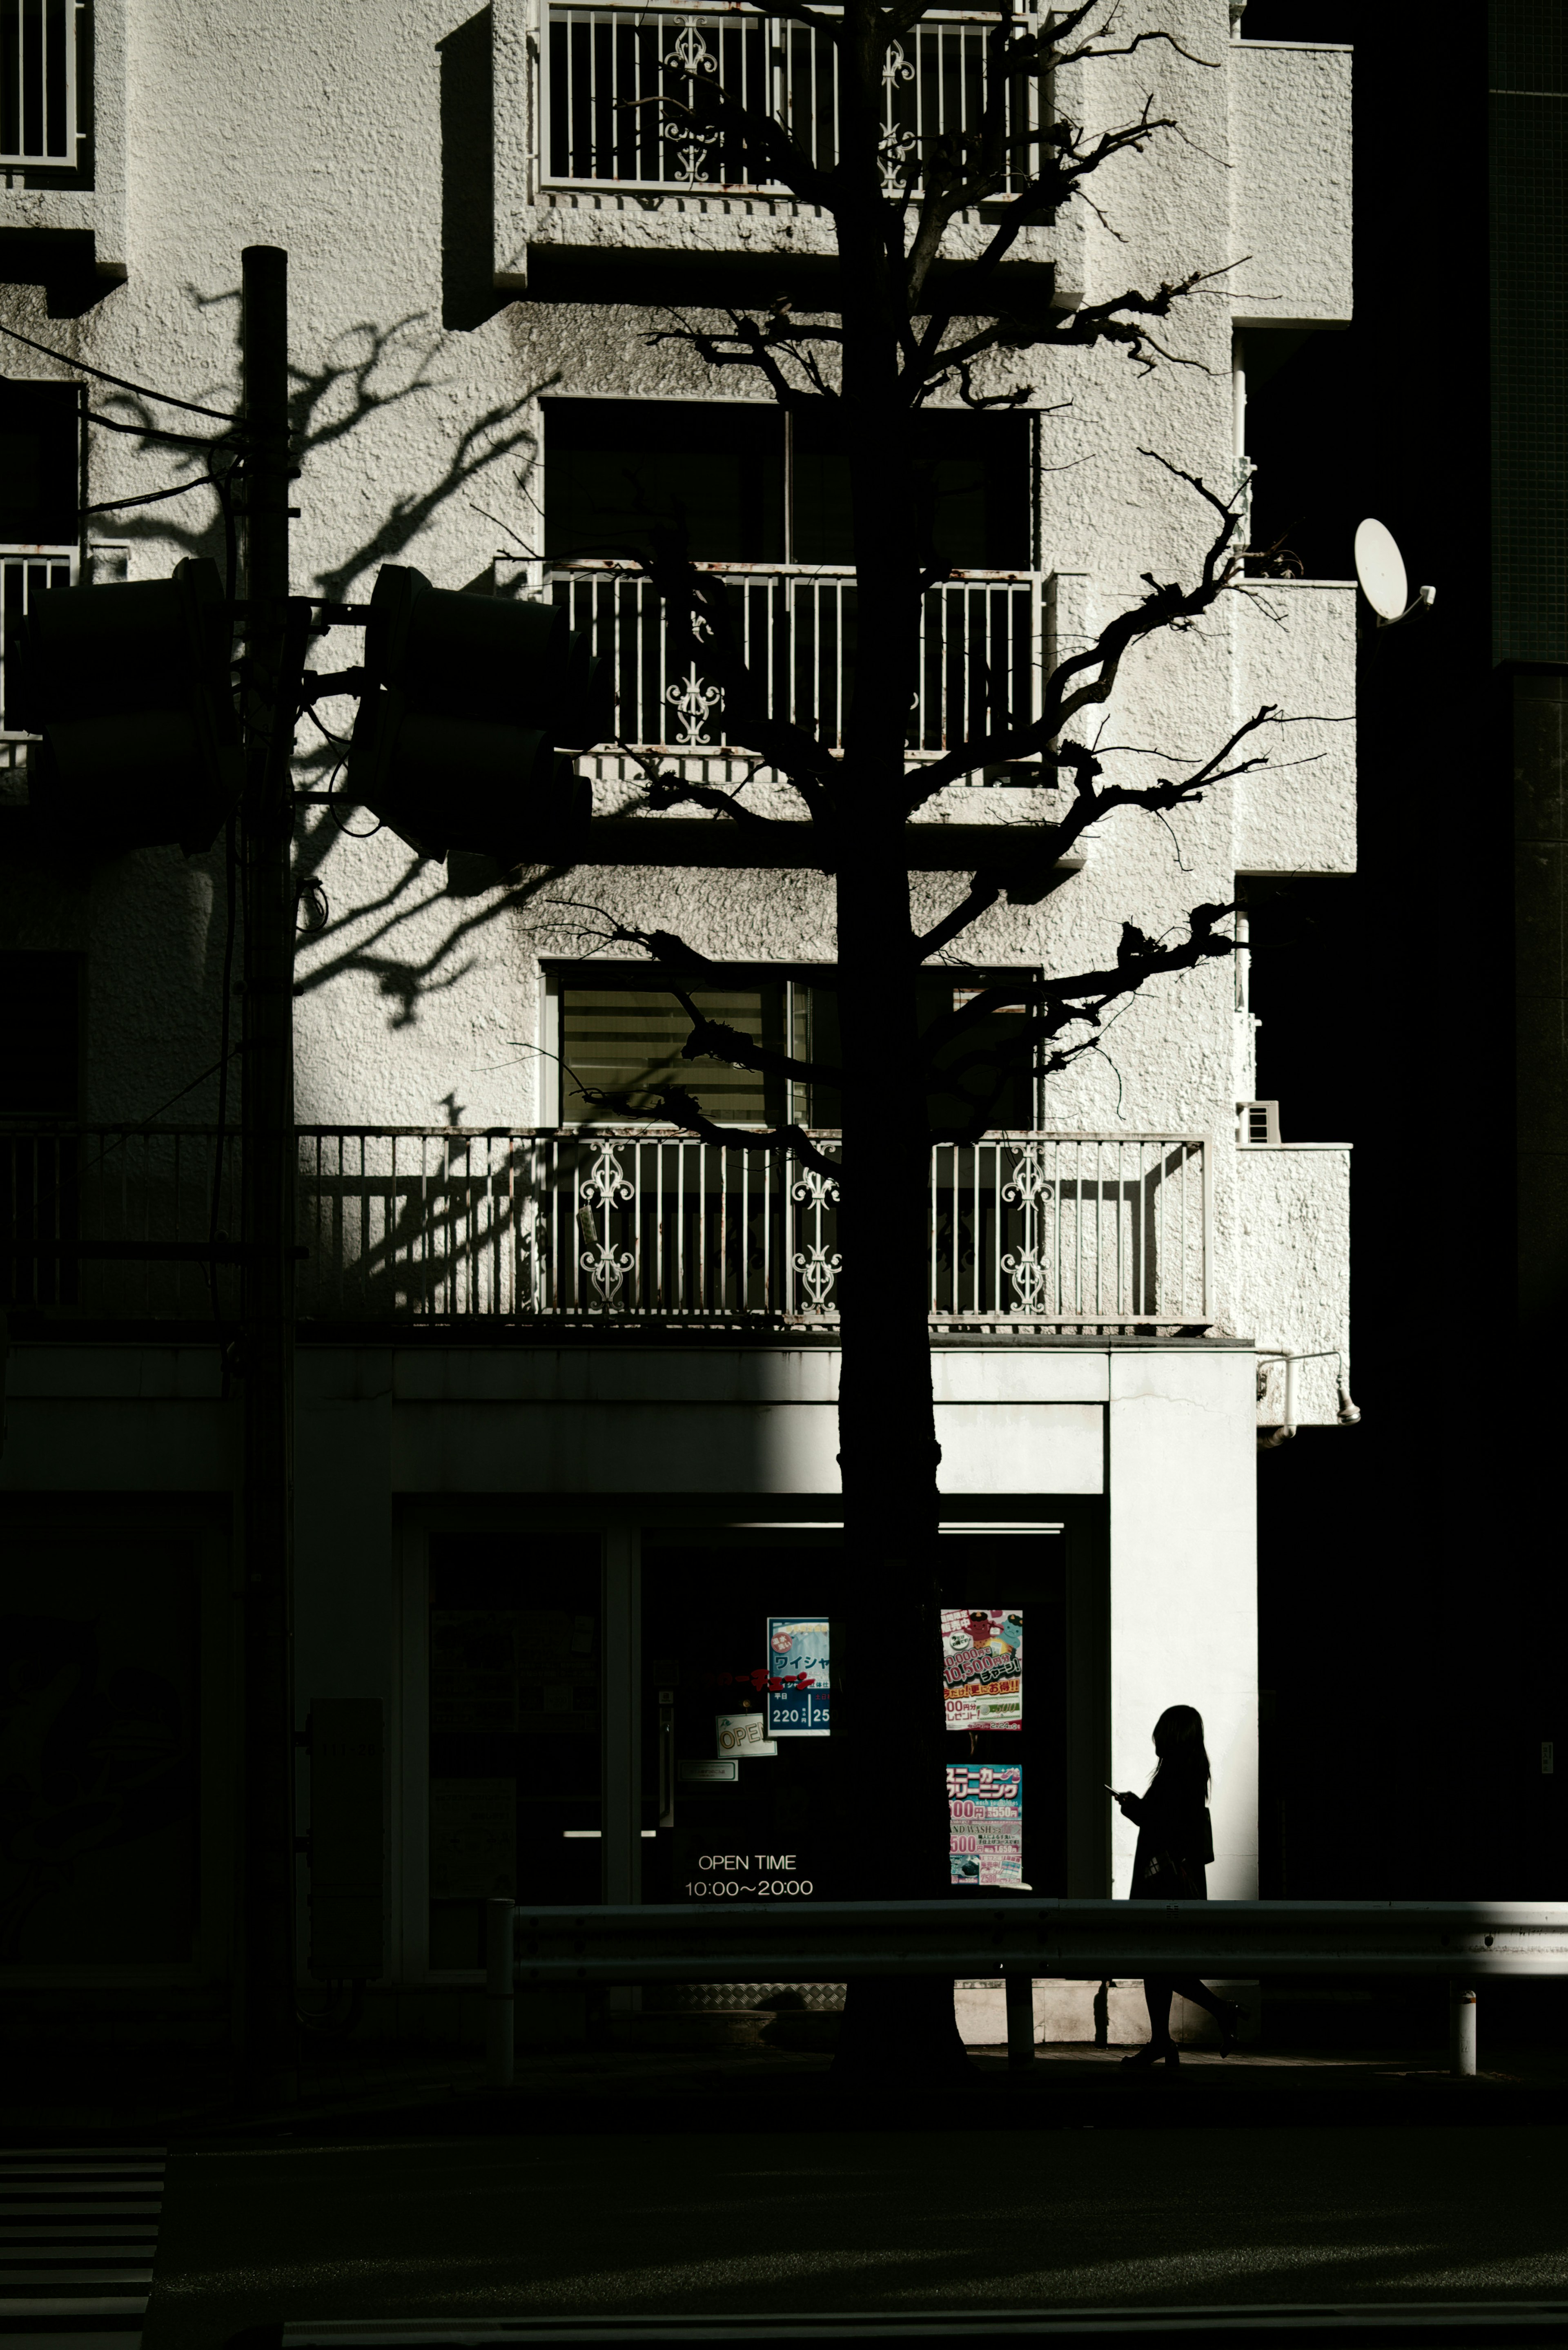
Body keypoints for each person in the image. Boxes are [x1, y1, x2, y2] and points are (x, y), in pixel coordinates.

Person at [1110, 1703, 1247, 2069]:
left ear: (1171, 1734)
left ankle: (1217, 2012)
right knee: (1158, 1962)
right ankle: (1161, 2040)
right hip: (1173, 1881)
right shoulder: (1193, 1771)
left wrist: (1133, 1808)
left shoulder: (1175, 1774)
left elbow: (1163, 1825)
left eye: (1161, 1730)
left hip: (1162, 1884)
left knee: (1158, 1962)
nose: (1155, 1736)